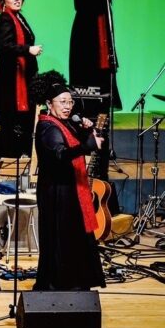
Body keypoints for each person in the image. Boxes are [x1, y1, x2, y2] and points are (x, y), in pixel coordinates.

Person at [30, 71, 106, 291]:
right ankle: (59, 285)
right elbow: (60, 155)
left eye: (70, 102)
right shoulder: (47, 127)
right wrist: (86, 145)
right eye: (62, 102)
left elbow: (81, 144)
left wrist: (87, 130)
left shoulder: (65, 124)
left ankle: (76, 283)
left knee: (74, 237)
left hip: (69, 189)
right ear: (49, 104)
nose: (67, 106)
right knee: (60, 239)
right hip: (56, 192)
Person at [69, 0, 121, 113]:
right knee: (89, 83)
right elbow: (92, 6)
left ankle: (102, 121)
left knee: (103, 83)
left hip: (101, 41)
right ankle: (90, 119)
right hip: (88, 42)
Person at [0, 0, 41, 158]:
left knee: (25, 121)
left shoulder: (19, 17)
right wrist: (28, 49)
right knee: (13, 122)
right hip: (12, 81)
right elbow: (4, 47)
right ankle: (11, 160)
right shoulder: (5, 19)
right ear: (3, 1)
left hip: (23, 78)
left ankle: (23, 157)